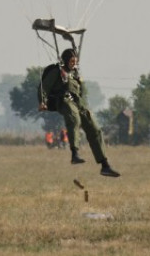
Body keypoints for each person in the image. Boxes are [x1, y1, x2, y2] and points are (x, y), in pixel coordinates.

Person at [39, 49, 120, 177]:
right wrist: (42, 102)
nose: (73, 63)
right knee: (74, 119)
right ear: (65, 60)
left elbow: (81, 92)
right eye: (71, 61)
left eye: (75, 61)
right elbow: (44, 87)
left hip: (78, 103)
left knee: (95, 129)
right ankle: (74, 153)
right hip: (64, 101)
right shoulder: (57, 72)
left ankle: (105, 165)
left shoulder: (75, 74)